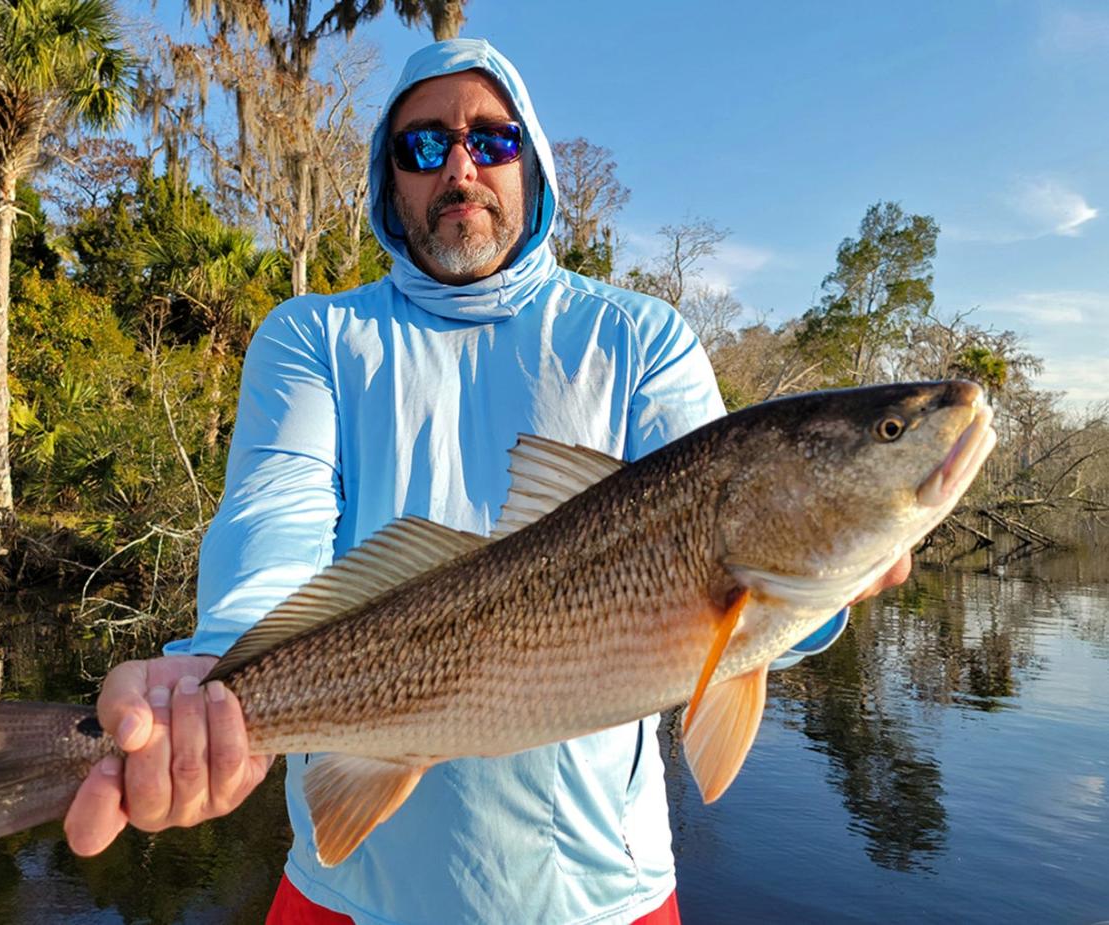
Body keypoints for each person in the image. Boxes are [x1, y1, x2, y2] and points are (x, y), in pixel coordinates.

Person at [64, 38, 910, 924]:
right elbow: (273, 520)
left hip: (601, 897)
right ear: (389, 180)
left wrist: (831, 583)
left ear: (533, 162)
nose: (460, 166)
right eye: (423, 147)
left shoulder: (642, 336)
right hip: (346, 896)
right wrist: (213, 674)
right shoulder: (312, 336)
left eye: (492, 141)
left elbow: (746, 568)